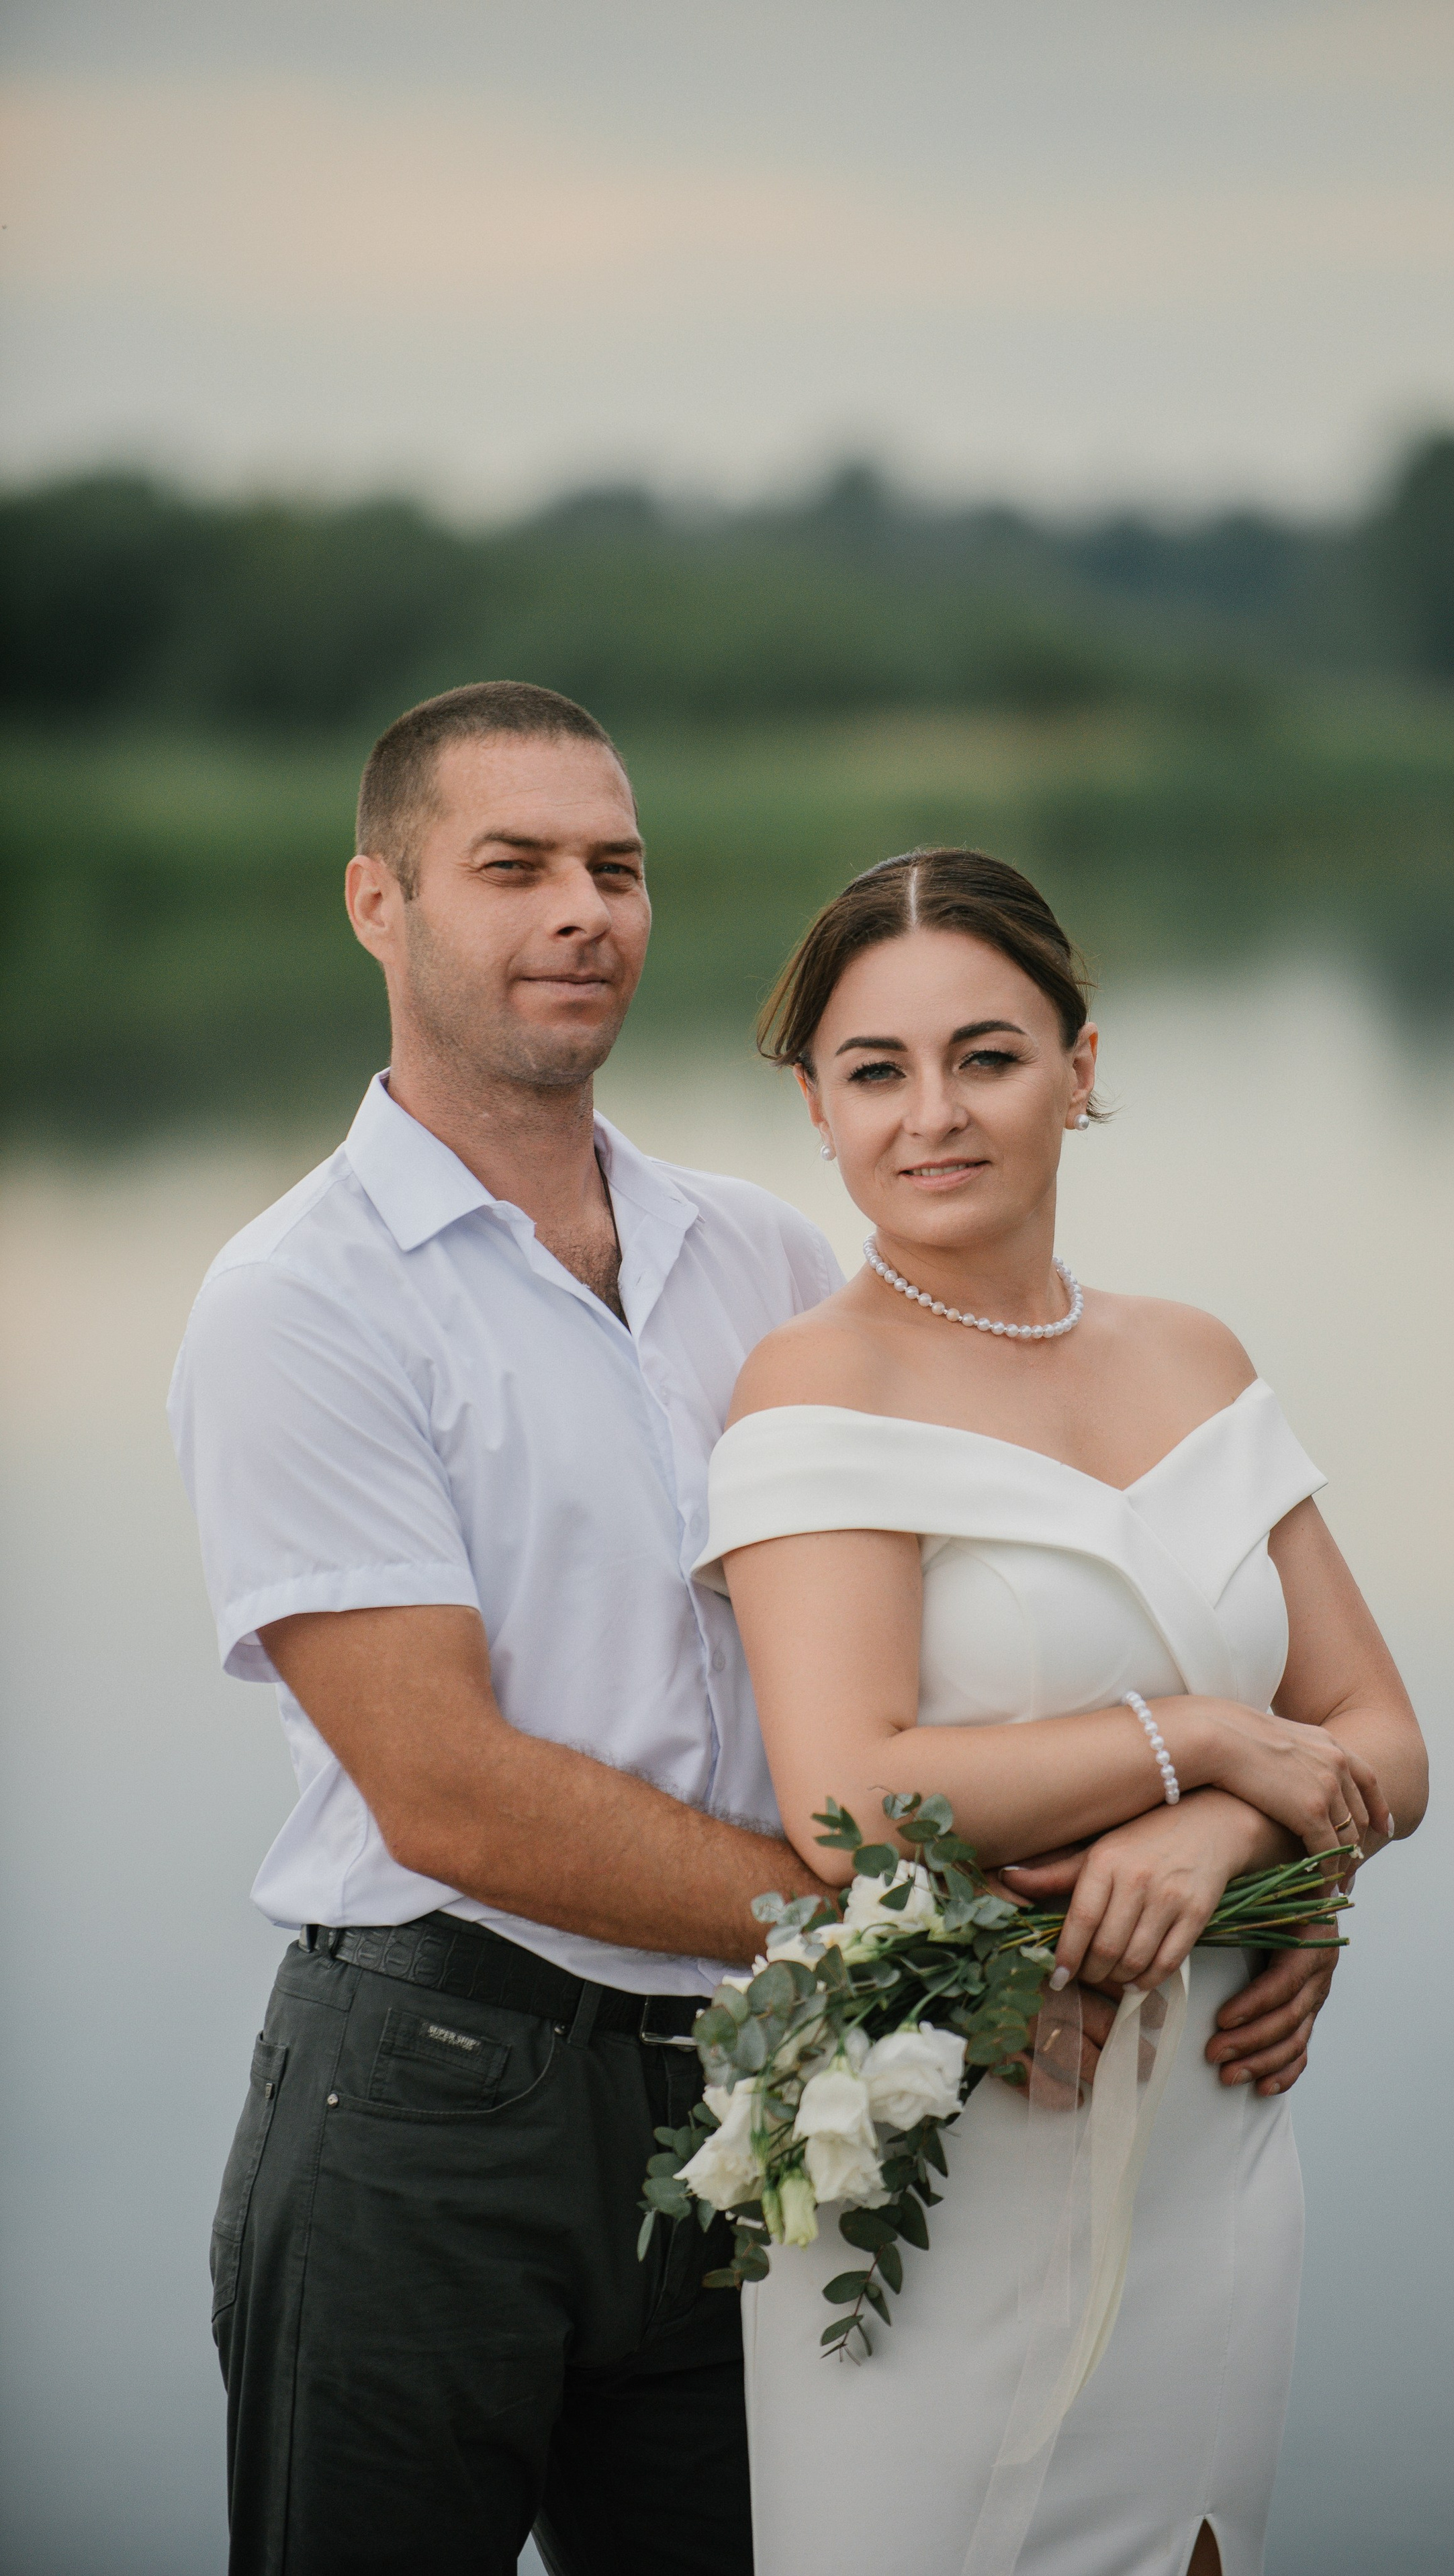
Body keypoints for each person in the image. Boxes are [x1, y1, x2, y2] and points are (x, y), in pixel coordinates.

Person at [167, 680, 854, 2576]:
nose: (587, 910)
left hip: (751, 2096)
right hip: (428, 2105)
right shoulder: (297, 1302)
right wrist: (892, 1936)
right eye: (516, 866)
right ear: (378, 904)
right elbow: (448, 1793)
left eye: (618, 867)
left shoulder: (769, 1257)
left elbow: (890, 1662)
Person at [692, 848, 1429, 2576]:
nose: (931, 1113)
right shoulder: (815, 1382)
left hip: (1211, 2131)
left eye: (988, 1054)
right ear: (816, 1103)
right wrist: (1215, 1735)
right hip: (955, 2155)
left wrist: (1233, 1826)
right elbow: (850, 1802)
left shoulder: (1193, 1355)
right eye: (874, 1070)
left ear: (1079, 1068)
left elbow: (1383, 1735)